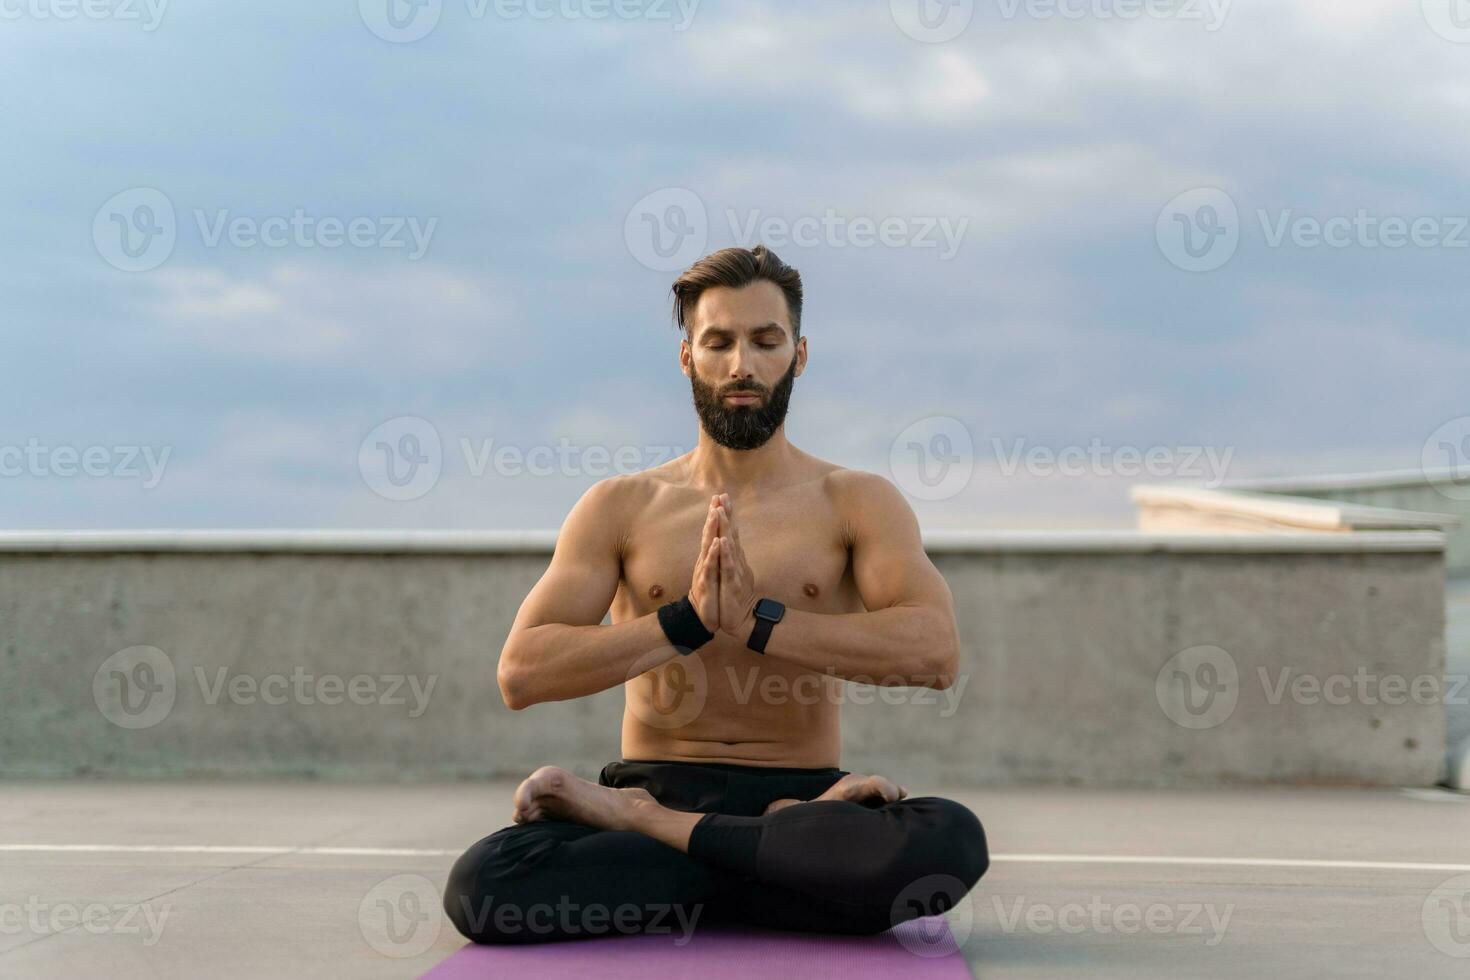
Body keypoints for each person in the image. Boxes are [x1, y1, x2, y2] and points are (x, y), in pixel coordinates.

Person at [443, 245, 989, 944]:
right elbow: (522, 672)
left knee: (952, 842)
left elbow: (934, 652)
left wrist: (762, 623)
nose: (742, 365)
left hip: (799, 799)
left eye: (766, 341)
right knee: (485, 883)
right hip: (677, 785)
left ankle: (669, 841)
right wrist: (682, 623)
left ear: (799, 353)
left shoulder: (856, 501)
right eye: (719, 342)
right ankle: (763, 864)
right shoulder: (622, 505)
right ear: (685, 357)